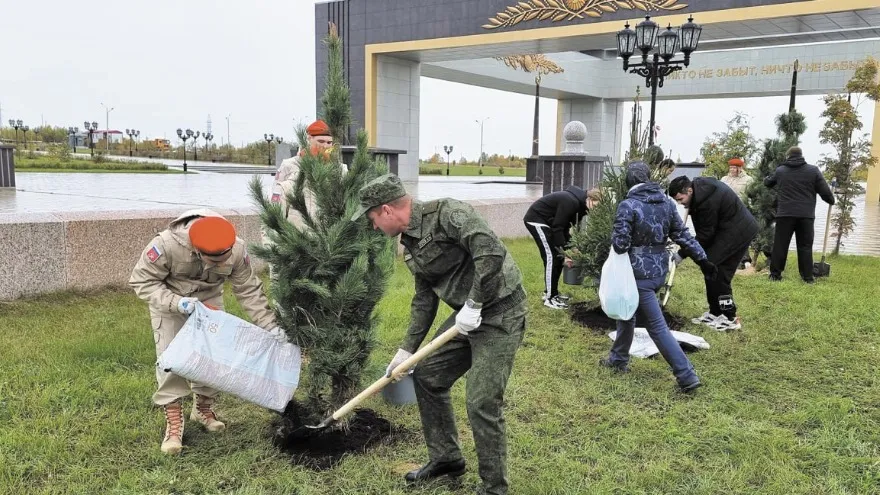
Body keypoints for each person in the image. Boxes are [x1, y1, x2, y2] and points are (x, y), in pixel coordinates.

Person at [352, 174, 527, 495]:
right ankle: (446, 458)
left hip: (501, 310)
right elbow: (424, 299)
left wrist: (475, 303)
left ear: (387, 210)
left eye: (372, 218)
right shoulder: (408, 248)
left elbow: (489, 251)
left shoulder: (448, 214)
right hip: (466, 319)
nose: (374, 226)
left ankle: (494, 488)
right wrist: (406, 351)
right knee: (429, 376)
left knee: (481, 402)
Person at [129, 209, 287, 455]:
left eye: (224, 260)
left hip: (210, 302)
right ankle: (173, 423)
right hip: (171, 303)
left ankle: (202, 409)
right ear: (196, 250)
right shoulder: (166, 245)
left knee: (213, 360)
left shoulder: (237, 249)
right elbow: (142, 281)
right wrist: (176, 303)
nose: (222, 265)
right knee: (172, 360)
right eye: (215, 262)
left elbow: (248, 290)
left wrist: (270, 325)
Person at [602, 162, 715, 392]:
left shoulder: (628, 205)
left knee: (656, 327)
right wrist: (703, 259)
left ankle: (686, 375)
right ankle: (618, 359)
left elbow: (620, 245)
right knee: (628, 313)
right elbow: (683, 235)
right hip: (657, 270)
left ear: (630, 181)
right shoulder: (666, 202)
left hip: (635, 272)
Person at [668, 175, 758, 331]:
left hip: (739, 231)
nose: (680, 204)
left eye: (680, 199)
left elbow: (705, 235)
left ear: (689, 190)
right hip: (724, 230)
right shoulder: (698, 194)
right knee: (709, 267)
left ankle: (730, 318)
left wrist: (682, 254)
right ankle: (715, 313)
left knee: (719, 272)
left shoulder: (707, 201)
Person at [764, 146, 835, 283]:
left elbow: (768, 182)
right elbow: (824, 191)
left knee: (780, 245)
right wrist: (831, 200)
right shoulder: (813, 171)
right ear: (802, 156)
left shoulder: (781, 171)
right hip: (806, 216)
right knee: (805, 246)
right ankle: (807, 277)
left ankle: (775, 275)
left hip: (785, 214)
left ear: (788, 157)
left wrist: (767, 177)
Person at [522, 186, 600, 309]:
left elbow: (564, 230)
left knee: (557, 257)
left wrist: (573, 248)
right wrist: (565, 254)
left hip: (550, 223)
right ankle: (549, 298)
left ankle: (553, 293)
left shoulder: (582, 208)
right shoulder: (571, 202)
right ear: (590, 198)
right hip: (537, 219)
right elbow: (557, 228)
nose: (596, 210)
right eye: (596, 206)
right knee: (551, 257)